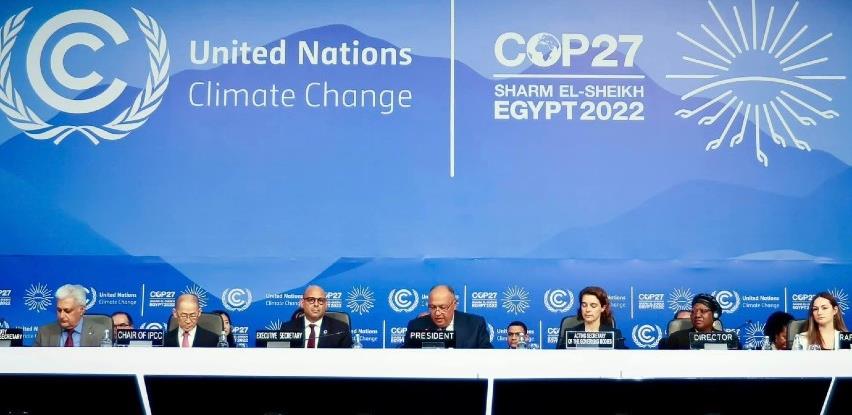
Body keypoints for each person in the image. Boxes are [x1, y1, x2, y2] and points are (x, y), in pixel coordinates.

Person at [402, 285, 493, 349]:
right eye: (432, 307)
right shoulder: (416, 326)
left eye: (443, 307)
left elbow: (488, 357)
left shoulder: (475, 325)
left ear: (455, 305)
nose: (437, 313)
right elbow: (404, 357)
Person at [34, 284, 109, 347]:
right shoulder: (44, 333)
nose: (62, 316)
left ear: (82, 310)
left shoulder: (100, 333)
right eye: (59, 310)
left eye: (67, 311)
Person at [279, 285, 353, 348]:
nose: (316, 304)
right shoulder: (287, 328)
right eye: (311, 300)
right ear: (302, 303)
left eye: (321, 300)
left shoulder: (340, 330)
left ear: (326, 305)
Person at [660, 293, 740, 350]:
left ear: (714, 315)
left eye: (703, 311)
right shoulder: (677, 338)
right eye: (693, 312)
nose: (697, 315)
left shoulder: (728, 339)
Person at [557, 286, 626, 349]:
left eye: (593, 306)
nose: (587, 310)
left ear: (603, 308)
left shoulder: (615, 335)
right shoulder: (570, 334)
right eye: (584, 305)